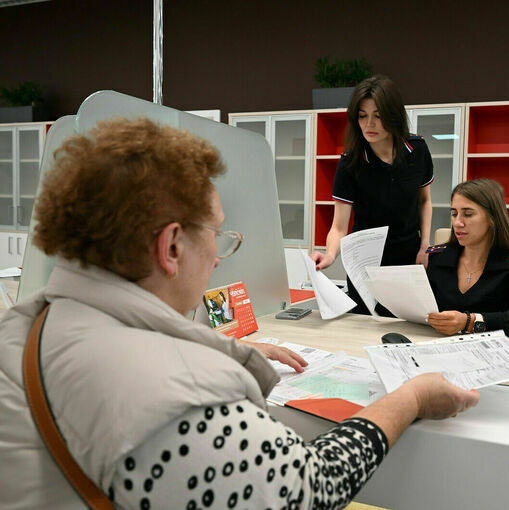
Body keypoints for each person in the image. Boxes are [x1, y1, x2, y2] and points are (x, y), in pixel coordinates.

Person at [0, 118, 479, 509]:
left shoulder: (24, 326)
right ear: (171, 247)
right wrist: (412, 398)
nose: (217, 256)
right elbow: (309, 488)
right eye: (216, 234)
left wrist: (223, 346)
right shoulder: (176, 396)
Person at [311, 75, 434, 315]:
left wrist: (425, 245)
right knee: (363, 325)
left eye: (378, 116)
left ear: (394, 116)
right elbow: (339, 227)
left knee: (406, 323)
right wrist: (330, 255)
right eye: (362, 116)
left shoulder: (417, 149)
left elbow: (425, 201)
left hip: (408, 258)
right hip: (365, 263)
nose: (369, 124)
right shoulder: (350, 163)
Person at [426, 179, 509, 337]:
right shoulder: (438, 257)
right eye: (454, 214)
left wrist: (470, 322)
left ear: (492, 218)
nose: (457, 223)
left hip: (492, 349)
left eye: (468, 214)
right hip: (435, 343)